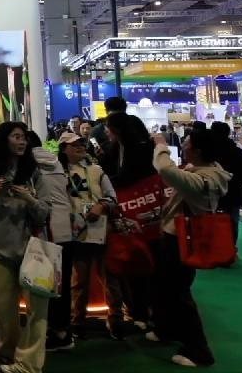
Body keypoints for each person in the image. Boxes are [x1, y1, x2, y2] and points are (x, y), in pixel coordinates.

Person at [150, 128, 231, 367]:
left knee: (179, 293)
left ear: (197, 151)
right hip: (177, 238)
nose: (183, 146)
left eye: (186, 142)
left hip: (180, 240)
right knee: (165, 288)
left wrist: (161, 145)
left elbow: (165, 169)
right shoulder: (210, 171)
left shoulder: (198, 180)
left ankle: (198, 350)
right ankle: (167, 330)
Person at [0, 121, 52, 373]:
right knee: (4, 309)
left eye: (24, 138)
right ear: (4, 140)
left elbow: (44, 212)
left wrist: (29, 198)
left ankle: (29, 364)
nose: (22, 142)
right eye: (17, 137)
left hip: (34, 251)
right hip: (1, 250)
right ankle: (10, 353)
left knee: (36, 312)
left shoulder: (35, 172)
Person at [102, 113, 158, 336]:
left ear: (117, 129)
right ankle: (137, 312)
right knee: (130, 263)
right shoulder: (116, 148)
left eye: (108, 128)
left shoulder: (141, 149)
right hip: (128, 212)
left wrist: (105, 183)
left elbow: (130, 176)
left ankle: (146, 312)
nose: (106, 132)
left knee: (145, 263)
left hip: (144, 211)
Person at [59, 132, 116, 334]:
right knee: (79, 280)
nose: (80, 147)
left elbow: (112, 197)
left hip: (100, 230)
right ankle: (77, 321)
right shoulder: (58, 173)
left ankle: (116, 320)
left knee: (109, 277)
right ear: (64, 149)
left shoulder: (97, 170)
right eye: (74, 145)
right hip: (74, 233)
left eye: (81, 144)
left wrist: (101, 206)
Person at [29, 127, 76, 353]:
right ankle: (62, 331)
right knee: (62, 284)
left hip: (48, 231)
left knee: (46, 285)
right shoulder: (55, 162)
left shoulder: (30, 166)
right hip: (65, 229)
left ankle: (56, 333)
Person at [210, 121, 242, 247]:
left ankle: (215, 250)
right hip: (233, 193)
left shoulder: (207, 153)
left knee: (210, 223)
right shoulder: (238, 152)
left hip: (211, 193)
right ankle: (231, 249)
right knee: (232, 222)